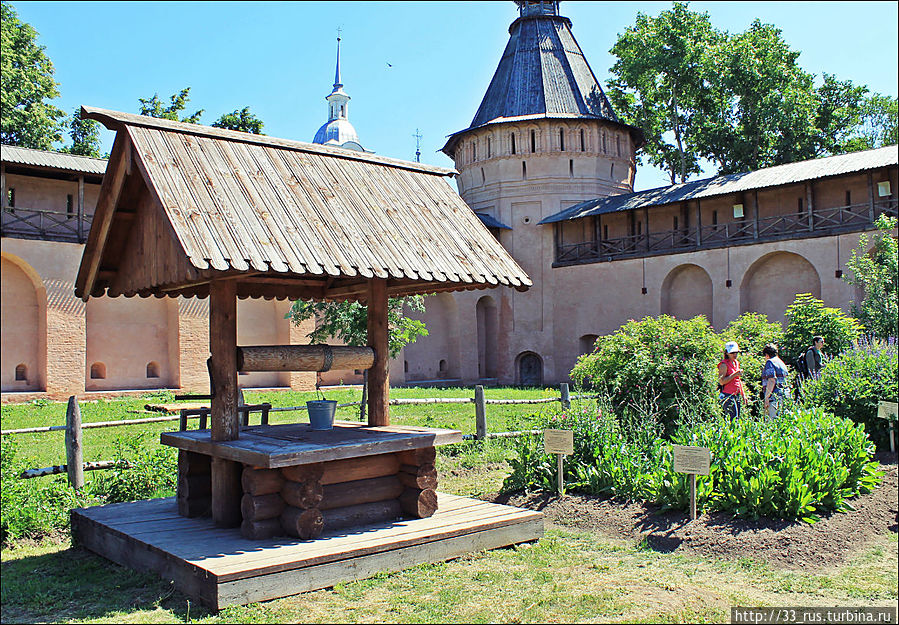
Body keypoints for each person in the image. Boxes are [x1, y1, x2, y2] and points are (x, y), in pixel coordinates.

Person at [718, 341, 748, 418]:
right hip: (727, 395)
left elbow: (738, 380)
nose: (735, 354)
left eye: (736, 352)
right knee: (732, 418)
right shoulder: (723, 365)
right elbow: (721, 381)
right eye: (732, 353)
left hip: (736, 394)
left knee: (737, 417)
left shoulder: (736, 363)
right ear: (727, 353)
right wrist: (735, 374)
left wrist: (743, 395)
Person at [761, 343, 789, 419]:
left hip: (774, 397)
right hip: (785, 395)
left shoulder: (770, 362)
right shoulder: (781, 363)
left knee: (773, 422)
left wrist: (767, 397)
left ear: (767, 355)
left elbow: (771, 380)